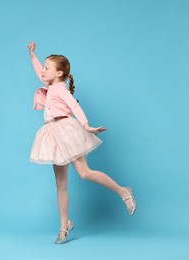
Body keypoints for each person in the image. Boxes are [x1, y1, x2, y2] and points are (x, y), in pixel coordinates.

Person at [27, 41, 136, 244]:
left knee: (85, 172)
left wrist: (85, 126)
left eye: (47, 67)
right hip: (52, 134)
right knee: (60, 184)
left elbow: (74, 107)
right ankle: (64, 226)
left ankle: (123, 191)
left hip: (67, 131)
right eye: (43, 67)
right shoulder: (50, 85)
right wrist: (33, 55)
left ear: (59, 73)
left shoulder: (60, 89)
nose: (43, 71)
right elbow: (38, 72)